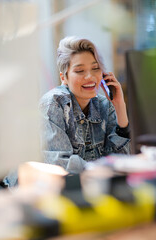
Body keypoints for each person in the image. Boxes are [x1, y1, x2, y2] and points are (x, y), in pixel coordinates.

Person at [39, 36, 130, 174]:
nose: (90, 77)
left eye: (95, 68)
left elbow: (121, 161)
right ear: (64, 77)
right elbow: (61, 164)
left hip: (93, 186)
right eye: (80, 71)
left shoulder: (104, 104)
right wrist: (103, 170)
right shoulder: (53, 104)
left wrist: (120, 107)